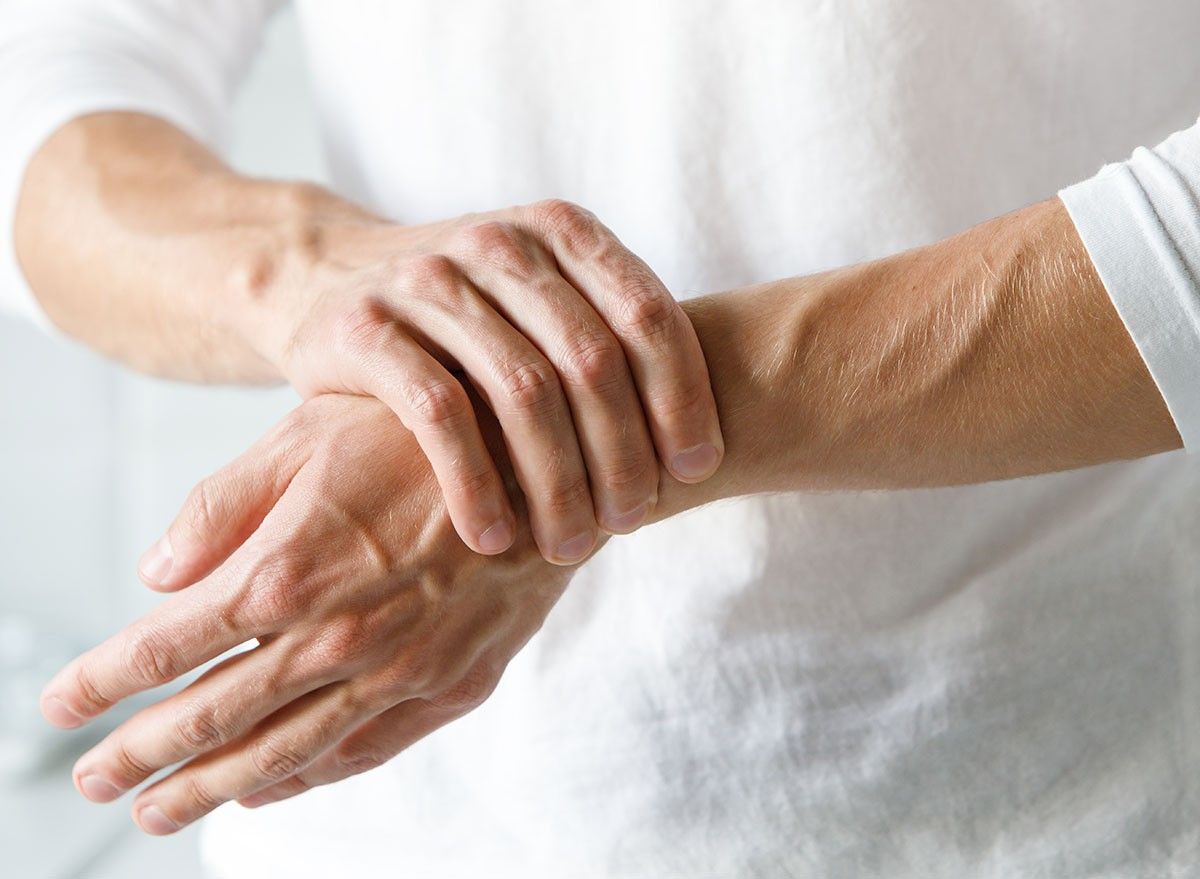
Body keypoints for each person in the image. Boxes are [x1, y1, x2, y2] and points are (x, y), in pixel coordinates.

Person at [5, 1, 1200, 876]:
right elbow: (50, 64)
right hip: (400, 828)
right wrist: (324, 283)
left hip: (1065, 808)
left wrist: (541, 431)